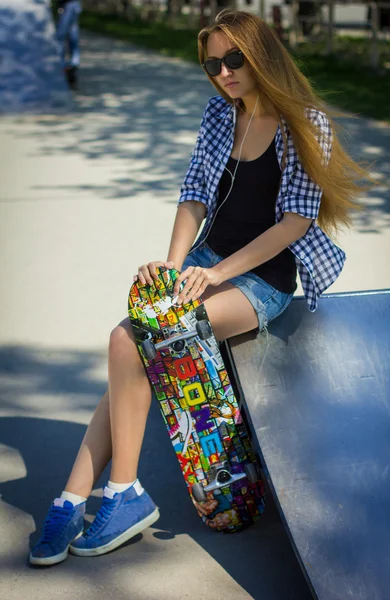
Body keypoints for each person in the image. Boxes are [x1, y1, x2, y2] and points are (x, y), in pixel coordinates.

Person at [29, 8, 370, 566]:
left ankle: (120, 494)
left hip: (262, 280)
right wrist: (173, 265)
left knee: (152, 337)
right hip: (209, 260)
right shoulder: (219, 114)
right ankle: (76, 497)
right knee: (125, 341)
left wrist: (217, 273)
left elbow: (294, 224)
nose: (225, 72)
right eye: (213, 63)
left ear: (261, 55)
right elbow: (194, 195)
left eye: (235, 58)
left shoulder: (306, 124)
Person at [54, 0, 82, 89]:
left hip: (67, 4)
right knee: (72, 38)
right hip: (74, 4)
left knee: (60, 38)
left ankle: (64, 69)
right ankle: (73, 68)